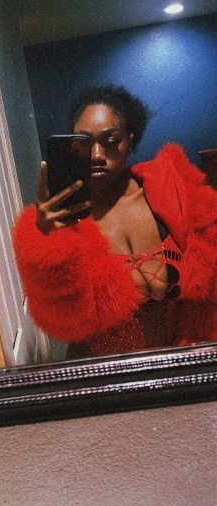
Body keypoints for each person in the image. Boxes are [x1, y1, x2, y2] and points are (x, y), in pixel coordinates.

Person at [12, 84, 217, 358]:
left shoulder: (172, 196)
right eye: (84, 143)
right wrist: (50, 246)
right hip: (105, 369)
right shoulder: (66, 221)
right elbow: (63, 323)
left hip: (180, 362)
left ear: (130, 141)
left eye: (110, 141)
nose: (97, 155)